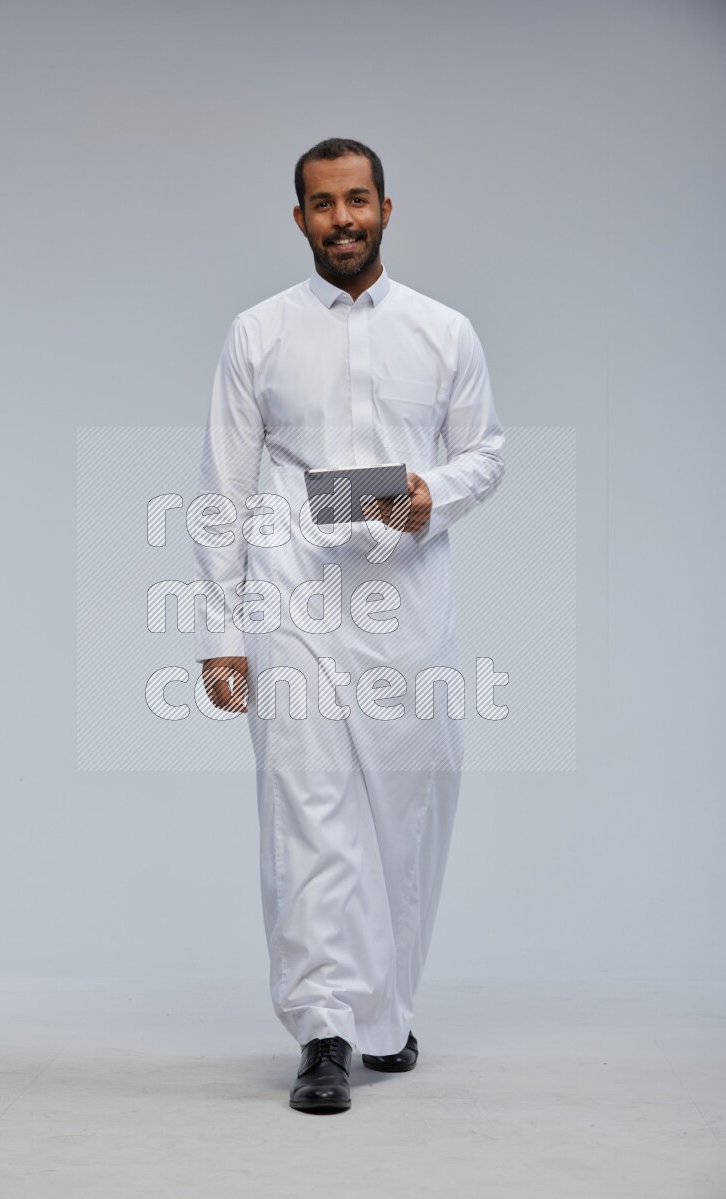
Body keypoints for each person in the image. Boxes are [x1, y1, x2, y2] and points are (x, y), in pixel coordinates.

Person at [191, 137, 505, 1114]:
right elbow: (223, 488)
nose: (342, 219)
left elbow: (486, 452)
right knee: (306, 810)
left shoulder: (443, 331)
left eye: (356, 199)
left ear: (385, 208)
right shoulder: (259, 333)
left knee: (410, 809)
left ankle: (387, 1007)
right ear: (299, 218)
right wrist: (220, 632)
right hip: (291, 594)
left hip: (406, 596)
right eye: (322, 204)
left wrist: (429, 494)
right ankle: (323, 1027)